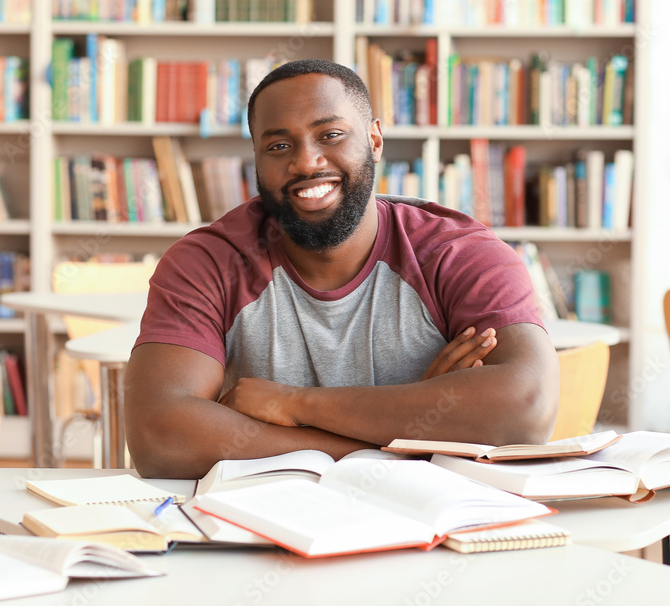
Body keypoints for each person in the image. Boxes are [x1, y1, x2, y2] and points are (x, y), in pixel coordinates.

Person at [125, 58, 559, 479]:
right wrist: (411, 440)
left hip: (436, 525)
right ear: (256, 159)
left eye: (330, 135)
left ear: (374, 141)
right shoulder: (208, 261)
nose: (306, 162)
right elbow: (159, 439)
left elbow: (526, 410)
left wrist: (295, 405)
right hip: (261, 528)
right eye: (278, 146)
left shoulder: (457, 253)